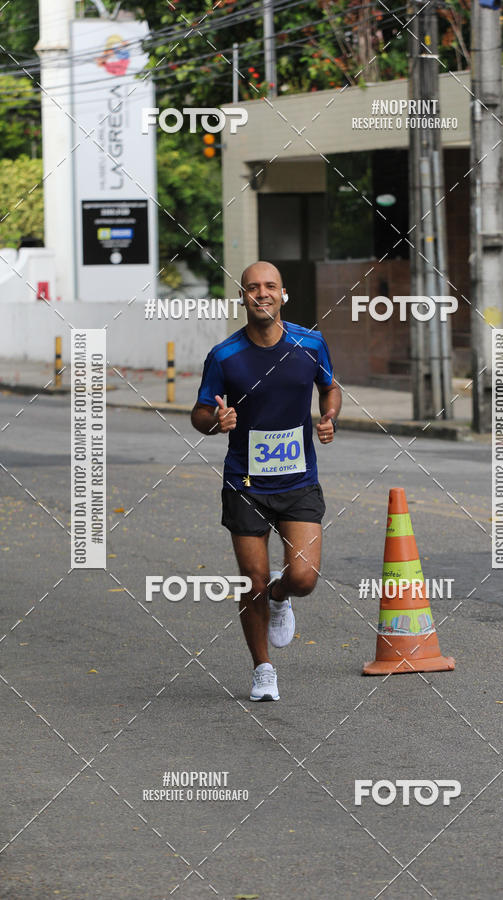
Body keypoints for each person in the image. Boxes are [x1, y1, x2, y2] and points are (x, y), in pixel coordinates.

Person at [191, 261, 342, 702]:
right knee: (250, 580)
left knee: (305, 577)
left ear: (283, 293)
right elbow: (199, 413)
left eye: (270, 286)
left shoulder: (310, 343)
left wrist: (329, 415)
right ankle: (263, 670)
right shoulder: (224, 356)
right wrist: (216, 421)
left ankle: (282, 595)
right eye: (253, 287)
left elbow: (330, 387)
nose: (262, 293)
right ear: (242, 296)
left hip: (298, 481)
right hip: (245, 484)